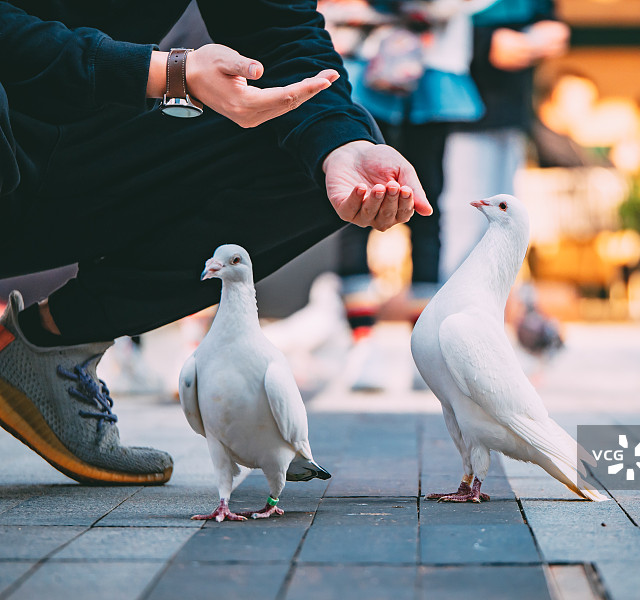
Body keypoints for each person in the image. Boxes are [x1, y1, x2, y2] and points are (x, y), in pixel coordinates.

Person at [0, 1, 431, 485]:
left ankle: (50, 343)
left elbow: (279, 30)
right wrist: (165, 73)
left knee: (321, 143)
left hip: (74, 141)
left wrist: (339, 144)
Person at [320, 0, 487, 389]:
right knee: (355, 200)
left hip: (429, 72)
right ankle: (362, 344)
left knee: (427, 208)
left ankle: (424, 350)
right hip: (368, 68)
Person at [439, 0, 569, 279]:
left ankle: (493, 309)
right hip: (459, 114)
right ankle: (453, 307)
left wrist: (547, 33)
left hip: (512, 112)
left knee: (504, 227)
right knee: (462, 227)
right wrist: (484, 44)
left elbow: (547, 15)